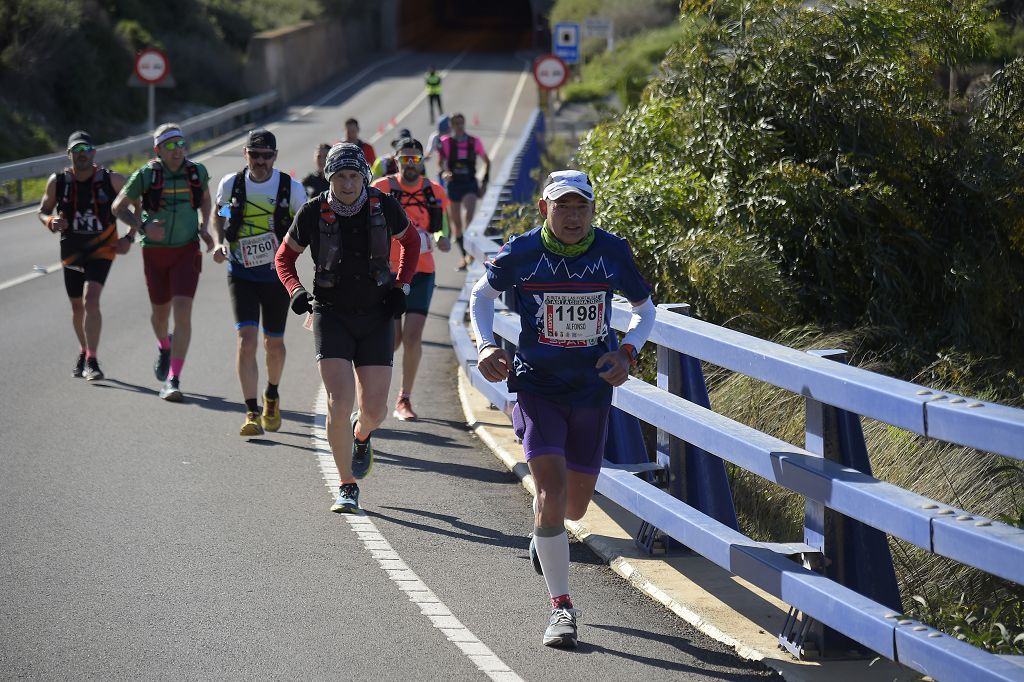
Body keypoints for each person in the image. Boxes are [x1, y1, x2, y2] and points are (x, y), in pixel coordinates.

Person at [470, 170, 656, 649]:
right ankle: (562, 608)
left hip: (592, 390)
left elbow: (645, 307)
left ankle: (543, 534)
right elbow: (481, 296)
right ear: (543, 209)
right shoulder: (522, 253)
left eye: (581, 207)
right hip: (538, 385)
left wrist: (628, 351)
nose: (573, 217)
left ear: (593, 210)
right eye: (563, 207)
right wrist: (487, 345)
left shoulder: (612, 252)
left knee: (574, 506)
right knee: (551, 495)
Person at [275, 143, 420, 514]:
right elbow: (284, 257)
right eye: (340, 176)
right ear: (330, 177)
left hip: (376, 315)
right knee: (338, 404)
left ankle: (362, 434)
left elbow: (412, 241)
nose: (348, 183)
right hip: (332, 314)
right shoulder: (312, 212)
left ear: (364, 177)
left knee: (375, 410)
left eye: (354, 175)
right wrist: (295, 290)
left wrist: (402, 287)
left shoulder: (382, 204)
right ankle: (346, 484)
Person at [212, 129, 307, 436]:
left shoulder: (289, 188)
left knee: (273, 344)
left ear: (275, 157)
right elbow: (222, 213)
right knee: (247, 340)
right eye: (255, 155)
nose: (261, 162)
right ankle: (251, 411)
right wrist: (219, 241)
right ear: (246, 154)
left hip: (276, 275)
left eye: (267, 156)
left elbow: (303, 225)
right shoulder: (232, 185)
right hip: (241, 272)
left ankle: (272, 394)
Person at [112, 123, 214, 401]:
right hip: (155, 253)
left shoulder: (196, 172)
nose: (178, 150)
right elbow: (118, 207)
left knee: (182, 312)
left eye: (181, 144)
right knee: (159, 314)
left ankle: (174, 379)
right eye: (170, 146)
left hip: (186, 250)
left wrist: (205, 226)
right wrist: (143, 228)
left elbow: (205, 199)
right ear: (158, 150)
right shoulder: (146, 175)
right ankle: (164, 344)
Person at [37, 131, 129, 381]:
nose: (82, 155)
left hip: (103, 248)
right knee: (77, 307)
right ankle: (84, 349)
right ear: (69, 155)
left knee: (91, 300)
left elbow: (140, 205)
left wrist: (130, 237)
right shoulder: (58, 182)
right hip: (71, 251)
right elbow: (43, 211)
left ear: (94, 153)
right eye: (76, 151)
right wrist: (51, 221)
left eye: (86, 150)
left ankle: (92, 359)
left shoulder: (113, 180)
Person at [371, 138, 450, 420]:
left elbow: (443, 229)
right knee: (393, 340)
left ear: (422, 162)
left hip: (421, 271)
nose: (410, 164)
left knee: (413, 338)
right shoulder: (380, 188)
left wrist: (441, 240)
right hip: (388, 273)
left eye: (415, 159)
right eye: (405, 159)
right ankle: (373, 393)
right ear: (396, 160)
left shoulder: (435, 191)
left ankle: (404, 399)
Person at [439, 113, 490, 270]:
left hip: (469, 184)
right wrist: (444, 173)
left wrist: (484, 182)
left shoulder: (474, 141)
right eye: (456, 123)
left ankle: (470, 254)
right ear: (452, 126)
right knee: (457, 225)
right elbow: (440, 164)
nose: (460, 126)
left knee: (468, 218)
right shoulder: (446, 142)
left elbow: (487, 161)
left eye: (462, 123)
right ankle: (464, 256)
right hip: (454, 185)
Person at [424, 115, 450, 183]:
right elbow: (429, 151)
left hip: (453, 169)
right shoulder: (435, 137)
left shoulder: (453, 135)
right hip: (442, 169)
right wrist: (423, 158)